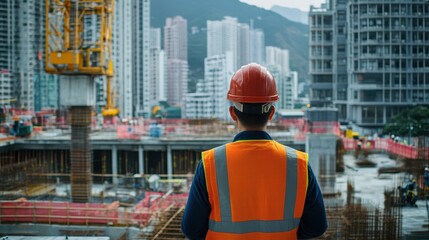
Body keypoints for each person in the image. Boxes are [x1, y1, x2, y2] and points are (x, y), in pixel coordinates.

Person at [181, 63, 327, 239]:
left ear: (232, 113)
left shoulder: (211, 163)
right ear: (271, 113)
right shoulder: (298, 164)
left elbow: (191, 229)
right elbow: (317, 226)